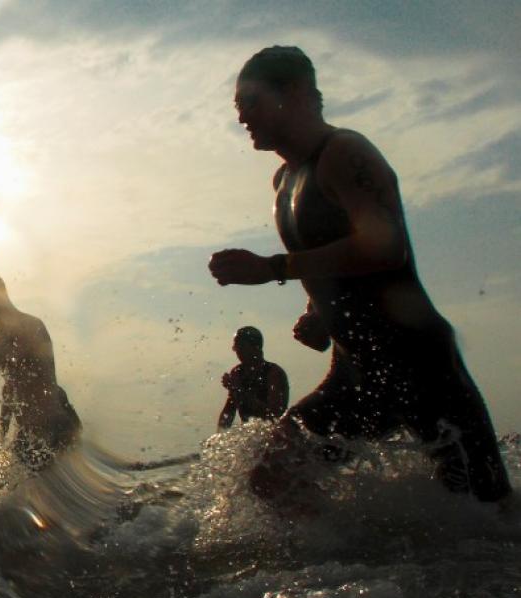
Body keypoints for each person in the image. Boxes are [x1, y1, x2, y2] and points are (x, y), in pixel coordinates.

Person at [208, 46, 512, 504]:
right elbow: (330, 258)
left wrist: (272, 268)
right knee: (270, 480)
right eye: (238, 108)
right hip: (355, 369)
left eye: (249, 102)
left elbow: (385, 247)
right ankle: (358, 567)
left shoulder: (345, 152)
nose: (242, 118)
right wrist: (319, 313)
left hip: (417, 363)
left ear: (292, 92)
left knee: (490, 514)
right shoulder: (284, 182)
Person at [0, 270, 82, 472]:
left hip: (48, 430)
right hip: (42, 428)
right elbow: (10, 381)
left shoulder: (23, 327)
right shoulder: (10, 331)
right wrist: (3, 433)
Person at [217, 326, 288, 430]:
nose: (237, 351)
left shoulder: (274, 373)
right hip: (251, 434)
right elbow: (229, 410)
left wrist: (237, 390)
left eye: (240, 347)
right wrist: (219, 434)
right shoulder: (237, 373)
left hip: (273, 434)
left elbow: (274, 416)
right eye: (236, 348)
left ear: (255, 346)